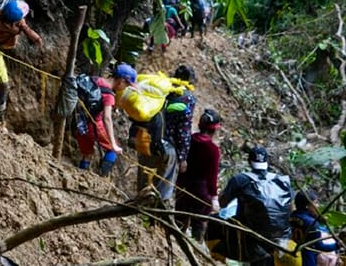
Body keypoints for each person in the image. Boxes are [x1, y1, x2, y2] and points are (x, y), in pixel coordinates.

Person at [217, 146, 294, 265]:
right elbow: (291, 208)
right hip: (280, 235)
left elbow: (222, 204)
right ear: (267, 162)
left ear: (249, 162)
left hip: (251, 234)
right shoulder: (282, 180)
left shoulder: (240, 179)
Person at [122, 63, 178, 203]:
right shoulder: (156, 113)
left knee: (143, 175)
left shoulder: (144, 108)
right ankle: (151, 204)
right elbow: (158, 134)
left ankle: (141, 199)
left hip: (142, 146)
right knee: (155, 180)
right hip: (152, 147)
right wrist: (158, 147)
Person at [175, 109, 222, 241]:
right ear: (215, 130)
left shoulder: (189, 139)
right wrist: (214, 197)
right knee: (199, 222)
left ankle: (177, 240)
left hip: (183, 186)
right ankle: (196, 246)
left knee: (179, 217)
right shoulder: (213, 150)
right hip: (201, 191)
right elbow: (212, 177)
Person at [71, 69, 125, 176]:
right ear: (121, 81)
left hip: (79, 123)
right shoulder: (109, 95)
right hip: (94, 125)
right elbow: (107, 118)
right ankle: (102, 179)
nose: (125, 88)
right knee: (113, 150)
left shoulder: (95, 80)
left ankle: (82, 175)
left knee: (87, 153)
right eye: (126, 85)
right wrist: (113, 144)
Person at [290, 190, 340, 266]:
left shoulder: (292, 216)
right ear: (307, 205)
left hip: (291, 254)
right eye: (316, 202)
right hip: (306, 259)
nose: (318, 205)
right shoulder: (312, 223)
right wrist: (338, 245)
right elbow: (320, 247)